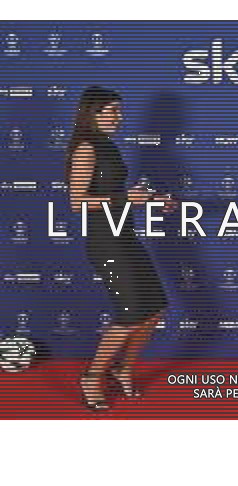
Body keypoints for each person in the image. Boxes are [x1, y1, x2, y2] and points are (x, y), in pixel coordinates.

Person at [66, 86, 176, 411]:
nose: (119, 116)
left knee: (155, 310)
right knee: (130, 315)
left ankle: (123, 368)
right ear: (93, 113)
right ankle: (91, 377)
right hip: (105, 242)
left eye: (120, 110)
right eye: (112, 110)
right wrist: (127, 198)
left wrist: (153, 200)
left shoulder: (108, 146)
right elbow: (77, 203)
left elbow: (115, 194)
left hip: (125, 237)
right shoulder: (86, 148)